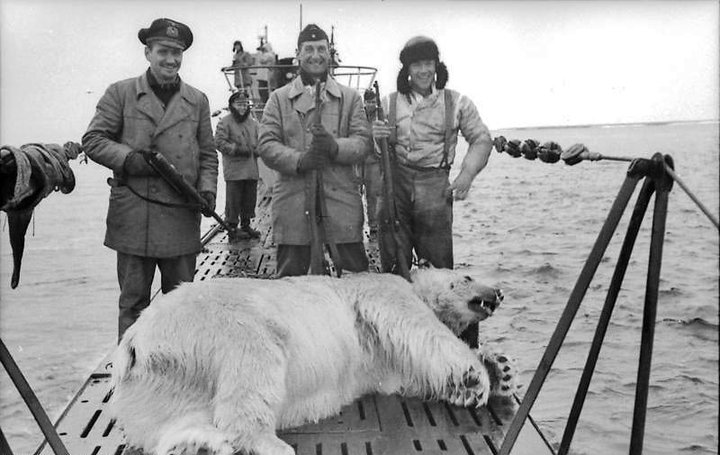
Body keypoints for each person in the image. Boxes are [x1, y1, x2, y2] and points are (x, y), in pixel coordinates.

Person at [82, 18, 218, 341]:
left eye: (178, 53)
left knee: (181, 306)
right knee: (133, 304)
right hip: (134, 218)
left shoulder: (197, 100)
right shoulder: (121, 93)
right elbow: (94, 140)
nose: (171, 59)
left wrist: (208, 190)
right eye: (164, 51)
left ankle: (179, 378)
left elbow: (209, 154)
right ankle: (131, 379)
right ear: (148, 52)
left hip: (181, 215)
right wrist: (129, 160)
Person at [372, 36, 493, 347]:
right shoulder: (387, 103)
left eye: (429, 63)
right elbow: (370, 149)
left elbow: (481, 139)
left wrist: (466, 176)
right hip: (395, 185)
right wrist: (376, 137)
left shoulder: (457, 102)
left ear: (437, 66)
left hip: (434, 187)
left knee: (441, 272)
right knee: (393, 270)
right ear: (407, 69)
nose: (424, 70)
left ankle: (450, 345)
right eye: (417, 64)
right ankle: (398, 343)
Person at [258, 23, 371, 277]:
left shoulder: (351, 98)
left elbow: (364, 142)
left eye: (321, 48)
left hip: (341, 204)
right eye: (308, 49)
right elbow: (266, 144)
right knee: (290, 284)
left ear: (329, 53)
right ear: (298, 53)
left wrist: (335, 147)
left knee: (356, 280)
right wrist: (300, 160)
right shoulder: (278, 98)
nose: (316, 55)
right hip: (294, 205)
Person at [215, 91, 261, 240]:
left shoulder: (253, 123)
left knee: (249, 199)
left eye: (245, 104)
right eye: (239, 104)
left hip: (251, 169)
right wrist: (236, 149)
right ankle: (232, 228)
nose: (243, 107)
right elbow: (219, 142)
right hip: (234, 170)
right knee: (233, 201)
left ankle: (246, 225)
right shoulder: (224, 122)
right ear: (231, 106)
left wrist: (259, 150)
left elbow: (262, 140)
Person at [361, 89, 383, 237]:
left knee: (373, 194)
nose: (371, 105)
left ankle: (374, 224)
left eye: (373, 102)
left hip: (374, 160)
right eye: (369, 102)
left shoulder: (380, 115)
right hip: (358, 160)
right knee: (355, 193)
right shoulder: (358, 116)